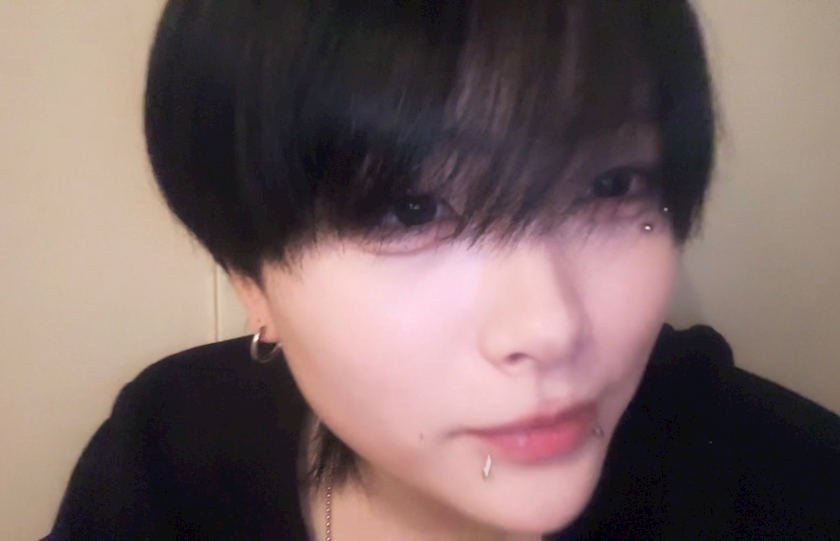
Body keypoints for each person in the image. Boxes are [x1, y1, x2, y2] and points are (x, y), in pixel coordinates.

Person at [45, 1, 840, 540]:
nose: (550, 327)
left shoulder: (783, 483)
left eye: (611, 184)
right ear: (250, 280)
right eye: (410, 211)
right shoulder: (165, 467)